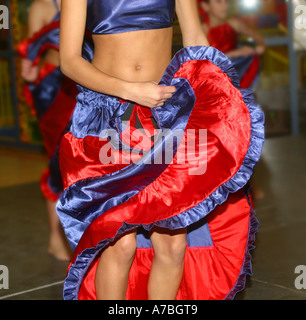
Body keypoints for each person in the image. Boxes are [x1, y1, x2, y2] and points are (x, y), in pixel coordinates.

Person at [57, 0, 265, 300]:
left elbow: (194, 37)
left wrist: (222, 95)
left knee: (172, 245)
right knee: (120, 243)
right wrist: (131, 90)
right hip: (107, 116)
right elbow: (70, 61)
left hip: (164, 115)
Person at [18, 0, 77, 261]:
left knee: (84, 163)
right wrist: (29, 75)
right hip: (54, 88)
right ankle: (56, 237)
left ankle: (85, 234)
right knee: (57, 162)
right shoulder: (42, 7)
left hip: (87, 84)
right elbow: (32, 52)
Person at [198, 0, 265, 89]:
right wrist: (236, 53)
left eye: (226, 1)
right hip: (214, 83)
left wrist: (256, 49)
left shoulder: (233, 24)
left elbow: (259, 38)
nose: (225, 5)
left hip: (237, 74)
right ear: (205, 6)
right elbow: (204, 66)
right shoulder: (202, 31)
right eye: (219, 2)